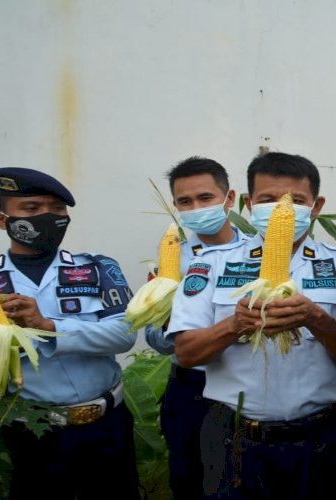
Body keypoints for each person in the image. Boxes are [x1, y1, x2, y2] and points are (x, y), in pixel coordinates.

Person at [167, 151, 336, 499]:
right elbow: (186, 353)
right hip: (235, 441)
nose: (281, 209)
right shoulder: (211, 265)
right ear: (248, 203)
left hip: (324, 439)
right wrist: (234, 325)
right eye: (268, 199)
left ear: (316, 207)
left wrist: (315, 318)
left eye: (295, 201)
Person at [0, 167, 139, 498]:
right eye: (32, 209)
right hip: (30, 433)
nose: (47, 217)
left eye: (57, 209)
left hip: (107, 427)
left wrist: (46, 326)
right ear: (0, 219)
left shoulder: (98, 267)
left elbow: (125, 334)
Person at [143, 156, 242, 499]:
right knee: (190, 479)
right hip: (191, 386)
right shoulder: (171, 261)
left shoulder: (259, 254)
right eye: (185, 202)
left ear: (229, 199)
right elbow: (153, 336)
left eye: (205, 198)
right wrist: (182, 332)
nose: (196, 208)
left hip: (245, 385)